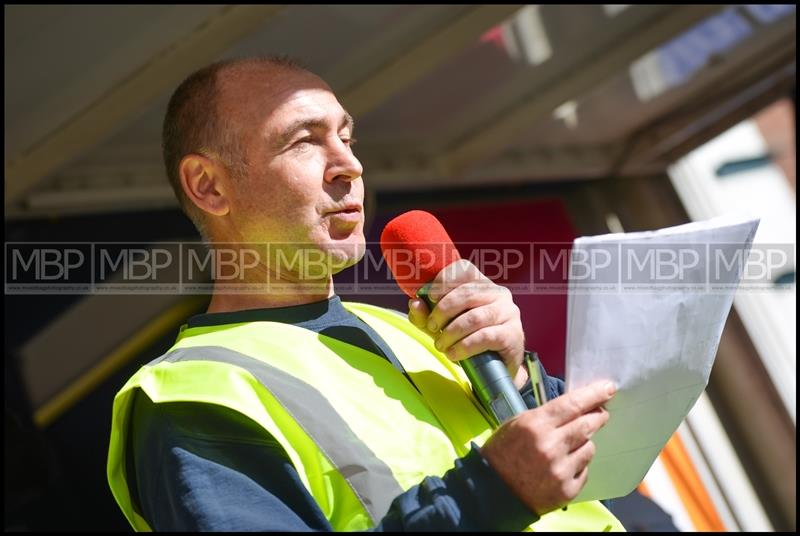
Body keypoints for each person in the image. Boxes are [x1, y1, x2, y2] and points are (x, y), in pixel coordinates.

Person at [106, 56, 624, 532]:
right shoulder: (192, 394)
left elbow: (591, 482)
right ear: (208, 186)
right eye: (304, 140)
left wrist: (516, 382)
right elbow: (498, 489)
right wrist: (490, 491)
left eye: (347, 138)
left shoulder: (412, 329)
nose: (348, 165)